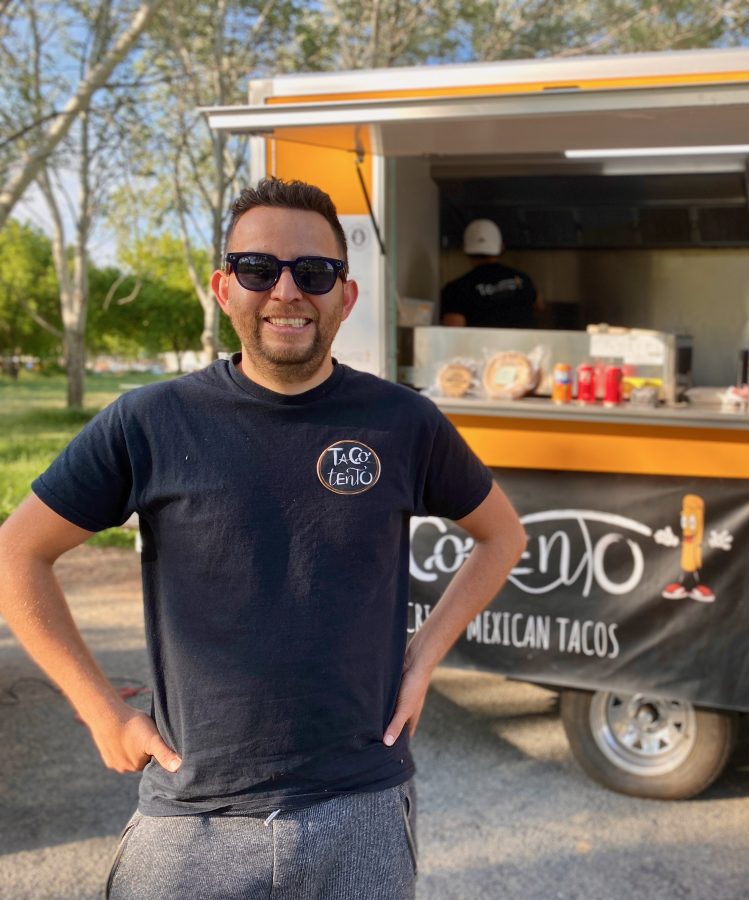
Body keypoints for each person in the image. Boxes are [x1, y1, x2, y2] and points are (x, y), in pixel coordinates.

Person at [0, 178, 526, 900]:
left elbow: (502, 536)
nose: (287, 291)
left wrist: (424, 655)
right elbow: (17, 552)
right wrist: (101, 710)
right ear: (224, 288)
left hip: (363, 804)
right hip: (193, 816)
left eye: (314, 273)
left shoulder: (404, 423)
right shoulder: (150, 421)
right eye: (258, 269)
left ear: (346, 296)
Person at [440, 218, 543, 328]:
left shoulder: (456, 289)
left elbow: (453, 331)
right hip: (525, 345)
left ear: (465, 248)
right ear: (501, 247)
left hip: (480, 345)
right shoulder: (521, 279)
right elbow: (540, 306)